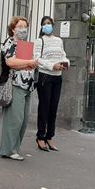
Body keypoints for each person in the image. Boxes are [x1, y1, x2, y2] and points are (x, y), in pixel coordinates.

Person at [0, 16, 38, 161]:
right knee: (15, 119)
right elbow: (10, 62)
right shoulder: (10, 43)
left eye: (25, 26)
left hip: (28, 85)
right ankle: (8, 150)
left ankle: (10, 146)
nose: (23, 29)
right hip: (15, 84)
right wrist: (28, 62)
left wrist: (32, 63)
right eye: (20, 26)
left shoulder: (26, 45)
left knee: (23, 119)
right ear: (13, 28)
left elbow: (27, 64)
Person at [33, 16, 69, 152]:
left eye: (49, 23)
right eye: (44, 24)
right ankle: (40, 136)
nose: (47, 26)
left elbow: (63, 55)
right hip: (45, 77)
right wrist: (51, 65)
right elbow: (36, 58)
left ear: (53, 25)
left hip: (57, 77)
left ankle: (50, 136)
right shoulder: (39, 41)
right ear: (41, 27)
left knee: (53, 108)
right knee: (44, 107)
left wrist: (66, 63)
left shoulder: (59, 40)